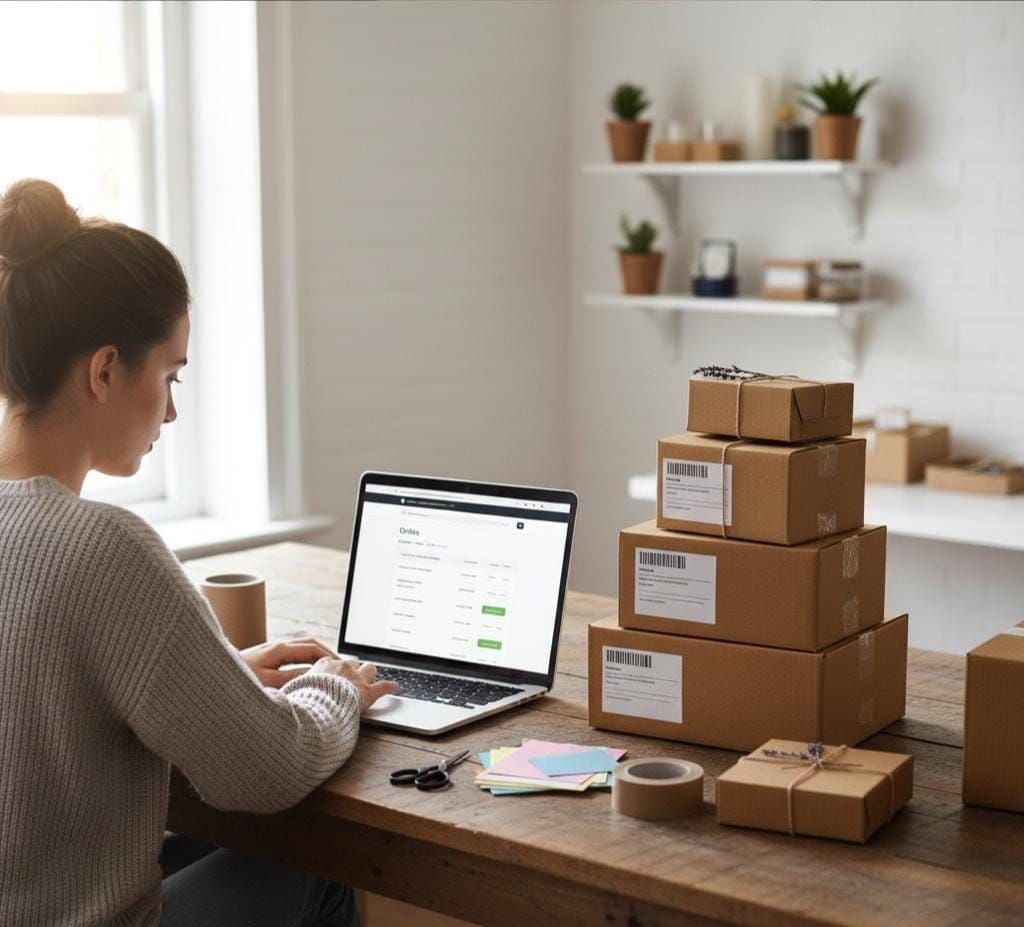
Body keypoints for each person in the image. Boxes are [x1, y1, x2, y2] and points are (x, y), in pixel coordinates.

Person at [0, 178, 399, 927]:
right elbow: (269, 768)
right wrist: (336, 684)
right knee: (316, 870)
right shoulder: (104, 548)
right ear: (106, 370)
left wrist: (217, 685)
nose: (173, 409)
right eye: (170, 374)